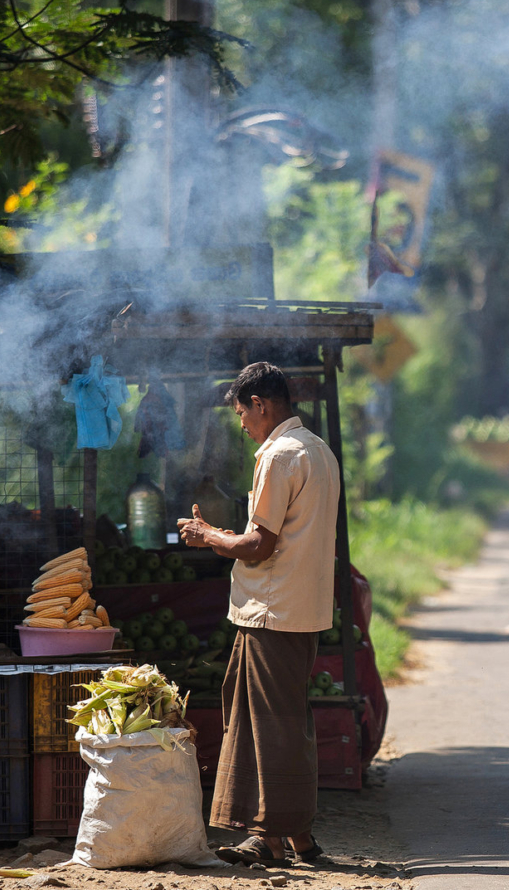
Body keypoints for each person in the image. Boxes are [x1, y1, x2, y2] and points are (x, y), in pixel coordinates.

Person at [176, 361, 341, 866]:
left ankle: (270, 835)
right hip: (298, 609)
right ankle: (296, 837)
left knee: (268, 722)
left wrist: (208, 537)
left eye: (243, 415)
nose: (242, 425)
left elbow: (257, 544)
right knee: (284, 719)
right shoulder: (319, 450)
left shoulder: (280, 455)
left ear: (261, 405)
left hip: (271, 610)